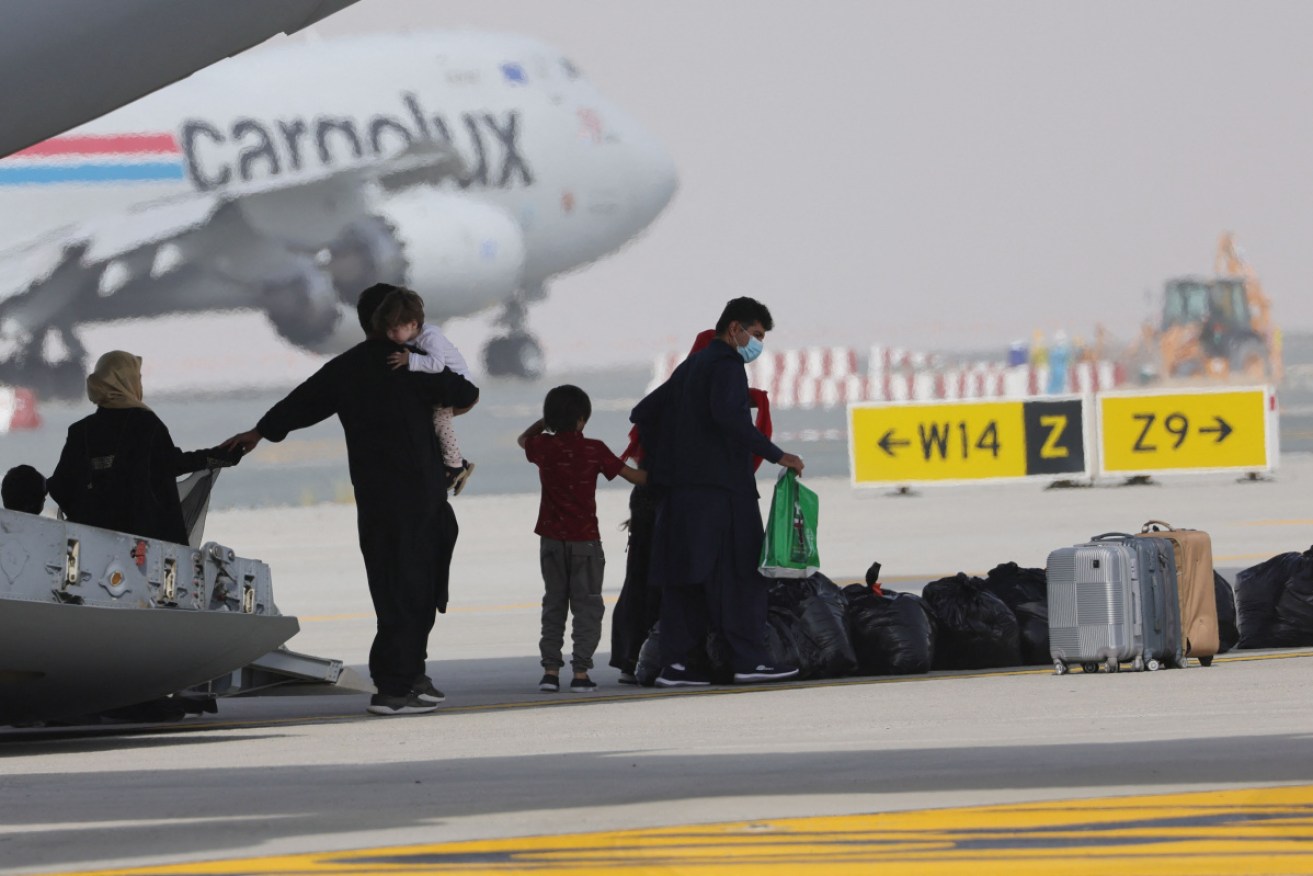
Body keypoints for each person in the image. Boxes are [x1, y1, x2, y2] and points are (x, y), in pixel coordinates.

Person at [222, 283, 480, 718]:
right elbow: (466, 396)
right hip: (418, 496)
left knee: (390, 585)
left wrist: (259, 432)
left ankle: (409, 675)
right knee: (416, 587)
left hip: (375, 497)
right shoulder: (411, 367)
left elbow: (300, 403)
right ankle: (396, 689)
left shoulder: (347, 368)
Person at [630, 297, 805, 687]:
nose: (758, 343)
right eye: (756, 335)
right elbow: (729, 419)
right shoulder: (727, 366)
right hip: (722, 493)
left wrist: (669, 462)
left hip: (681, 494)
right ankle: (748, 661)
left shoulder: (692, 367)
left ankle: (676, 666)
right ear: (735, 329)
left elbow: (643, 412)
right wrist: (778, 455)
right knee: (741, 578)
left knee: (686, 581)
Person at [608, 329, 775, 683]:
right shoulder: (707, 396)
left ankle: (640, 660)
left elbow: (642, 426)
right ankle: (719, 660)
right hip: (689, 498)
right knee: (706, 580)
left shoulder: (678, 394)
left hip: (656, 496)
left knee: (653, 582)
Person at [519, 385, 645, 693]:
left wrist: (545, 423)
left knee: (554, 604)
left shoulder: (543, 448)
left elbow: (524, 440)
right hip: (585, 542)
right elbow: (635, 477)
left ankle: (550, 671)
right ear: (581, 420)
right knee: (587, 607)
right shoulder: (594, 449)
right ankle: (580, 673)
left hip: (550, 541)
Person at [46, 351, 240, 545]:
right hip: (145, 545)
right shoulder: (146, 425)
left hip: (92, 544)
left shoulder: (80, 431)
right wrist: (223, 456)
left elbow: (60, 486)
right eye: (137, 378)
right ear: (127, 381)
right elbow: (172, 464)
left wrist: (89, 515)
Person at [371, 287, 477, 495]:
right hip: (443, 389)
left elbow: (437, 364)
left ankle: (455, 467)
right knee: (430, 422)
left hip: (459, 386)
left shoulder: (430, 336)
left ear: (412, 324)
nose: (391, 335)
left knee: (439, 419)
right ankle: (455, 461)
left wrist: (409, 359)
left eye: (394, 329)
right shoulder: (410, 338)